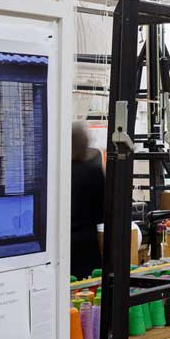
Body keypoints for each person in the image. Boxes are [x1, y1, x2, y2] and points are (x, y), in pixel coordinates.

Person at [70, 120, 105, 281]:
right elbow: (102, 211)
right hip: (87, 241)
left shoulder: (60, 172)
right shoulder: (93, 170)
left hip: (62, 241)